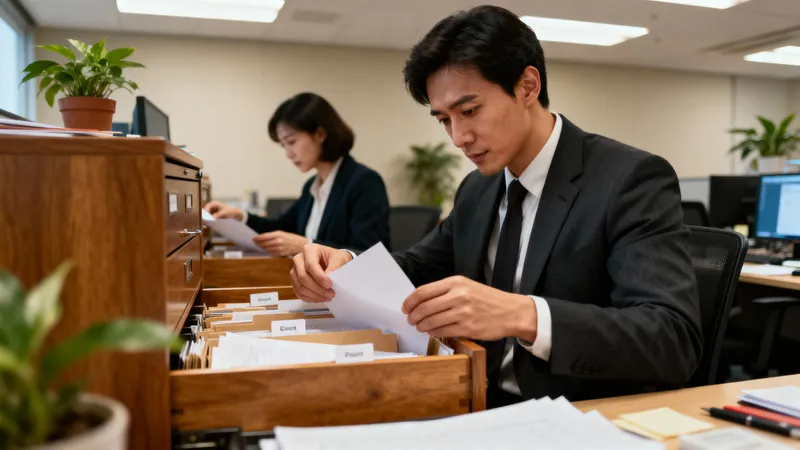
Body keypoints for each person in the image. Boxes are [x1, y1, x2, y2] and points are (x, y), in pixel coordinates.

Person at [289, 5, 703, 407]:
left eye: (470, 111)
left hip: (572, 413)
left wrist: (524, 315)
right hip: (469, 394)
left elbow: (672, 339)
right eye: (444, 120)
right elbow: (418, 267)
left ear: (527, 86)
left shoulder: (628, 179)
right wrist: (346, 262)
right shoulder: (477, 189)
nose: (458, 138)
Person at [205, 93, 391, 255]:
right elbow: (284, 227)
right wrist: (240, 216)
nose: (288, 153)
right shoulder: (312, 185)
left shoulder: (364, 182)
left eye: (291, 142)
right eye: (283, 145)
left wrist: (307, 246)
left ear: (319, 134)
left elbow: (369, 253)